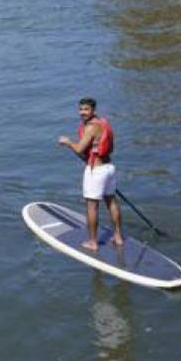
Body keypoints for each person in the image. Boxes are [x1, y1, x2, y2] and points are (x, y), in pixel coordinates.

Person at [57, 97, 124, 251]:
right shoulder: (102, 123)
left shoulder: (91, 128)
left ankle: (93, 242)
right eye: (81, 109)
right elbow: (91, 150)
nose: (83, 113)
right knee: (111, 202)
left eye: (86, 109)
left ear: (94, 110)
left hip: (97, 171)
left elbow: (80, 149)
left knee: (91, 206)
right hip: (109, 168)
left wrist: (68, 142)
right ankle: (118, 237)